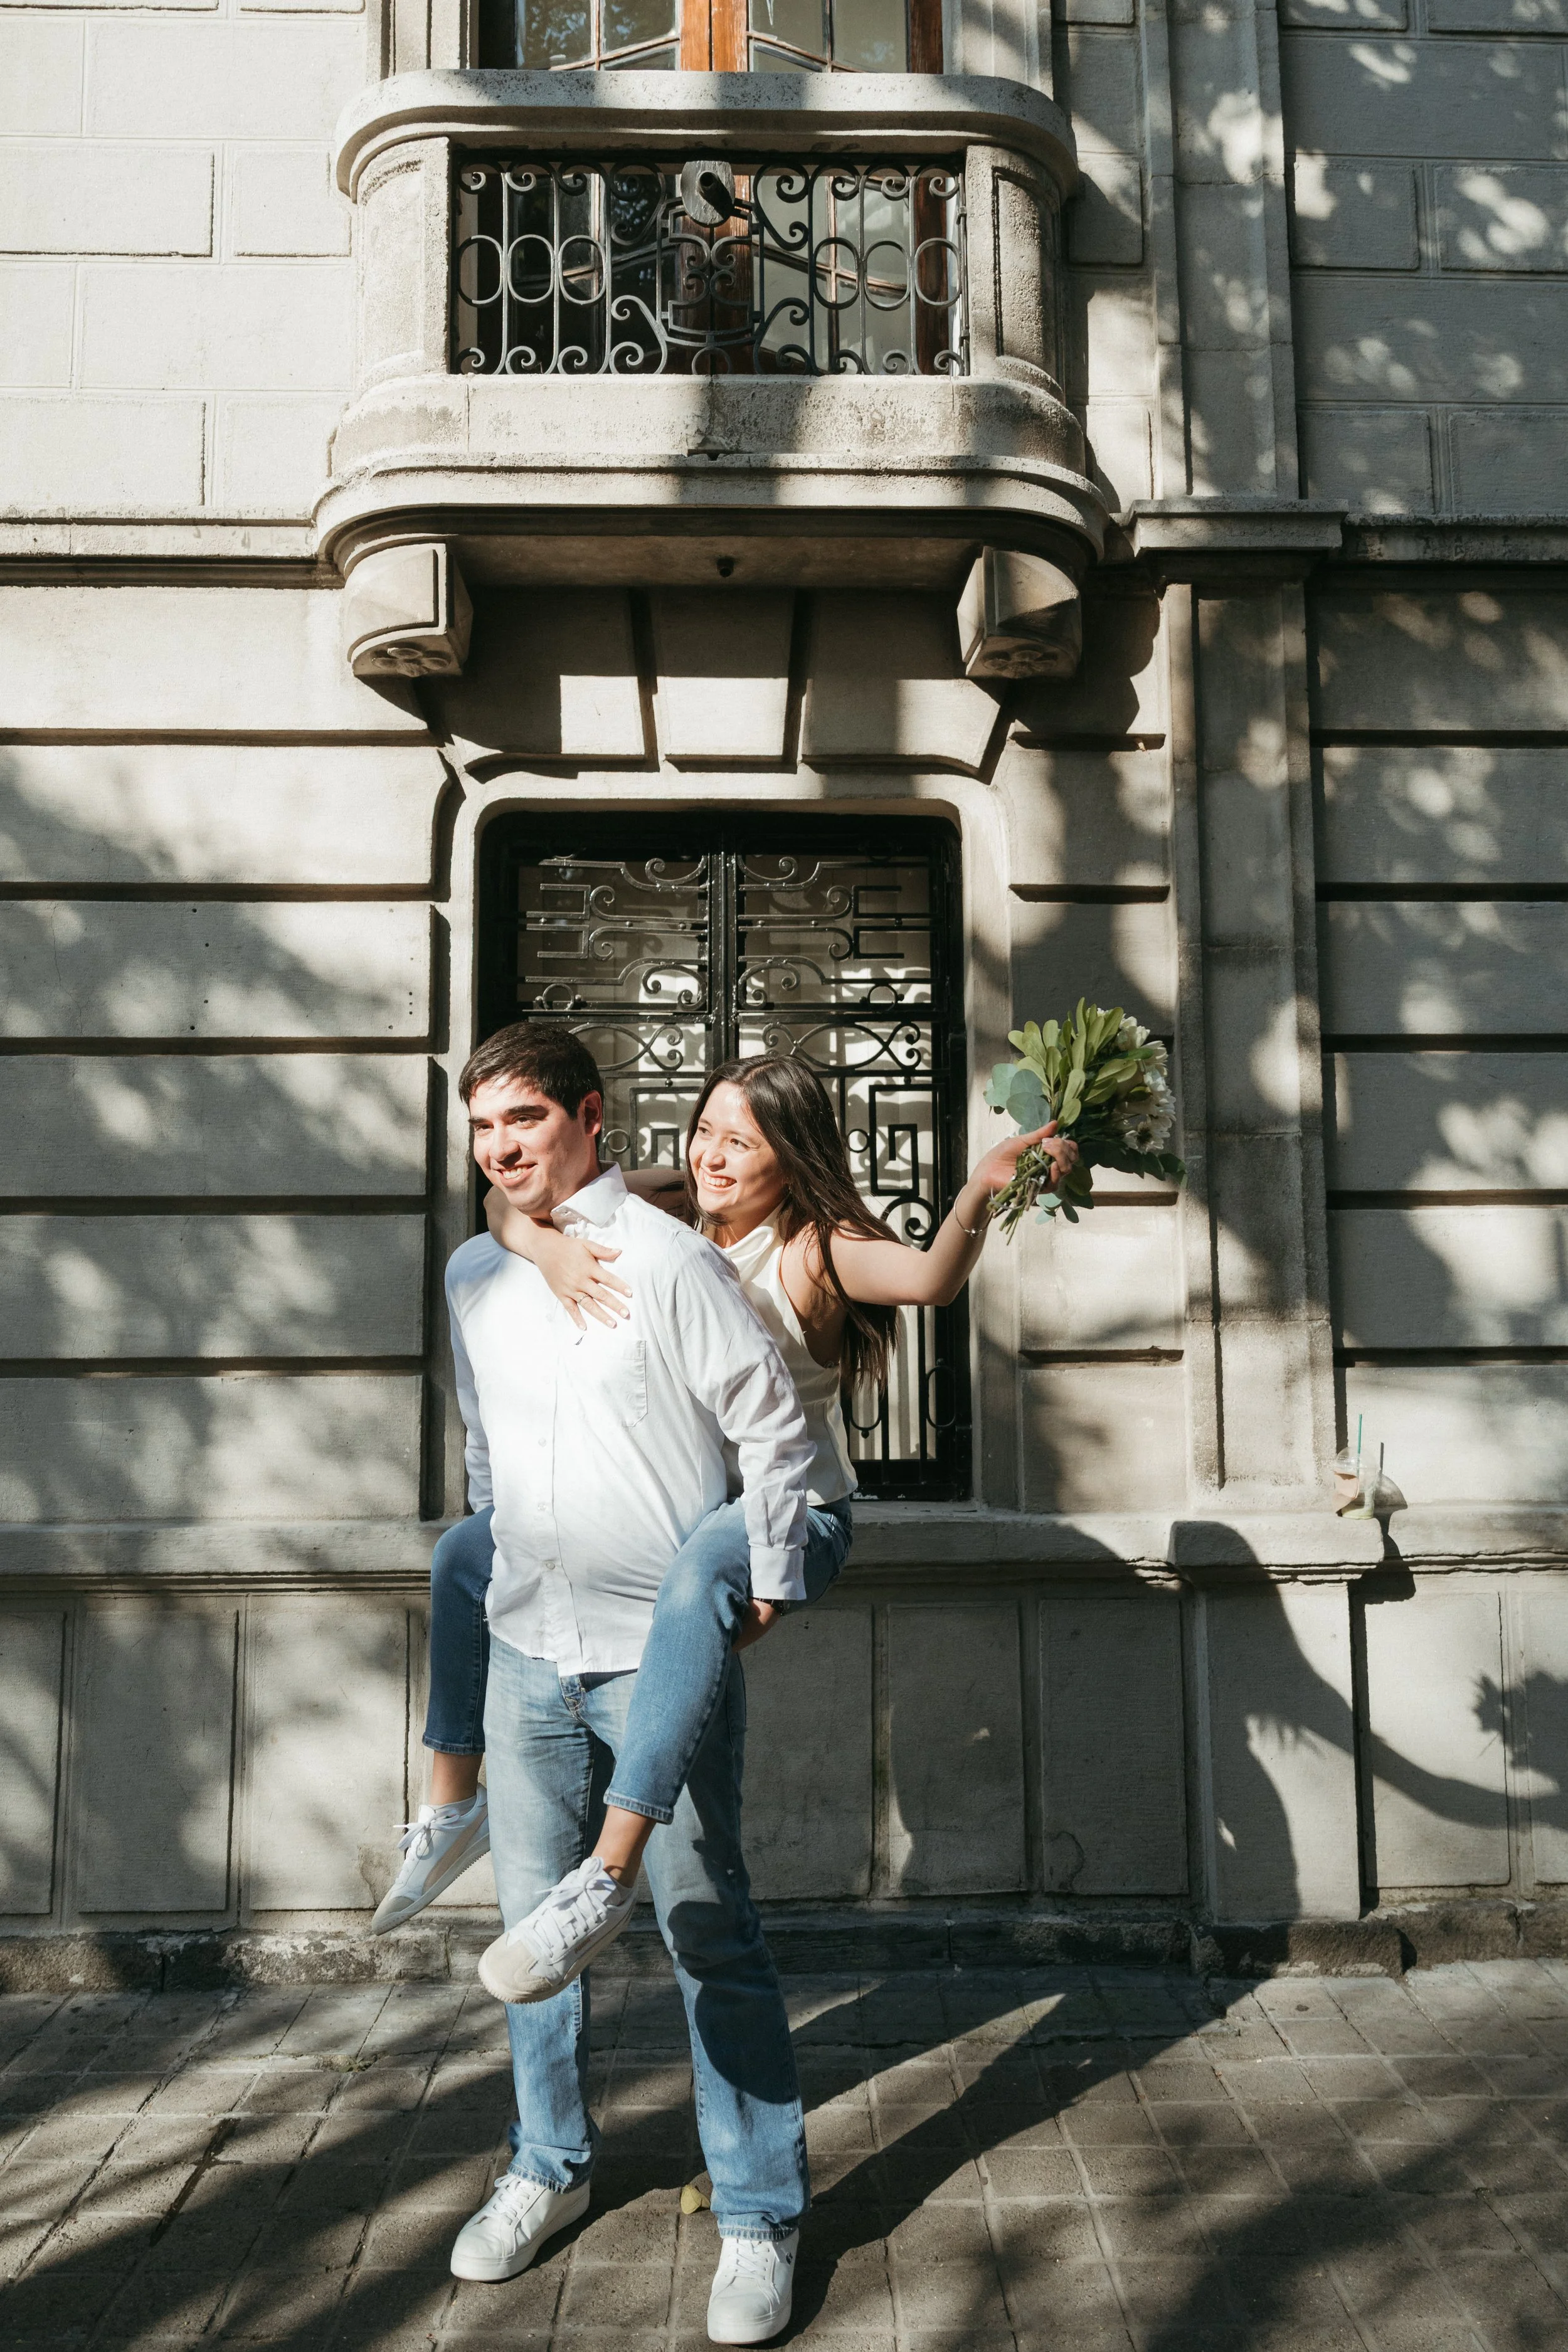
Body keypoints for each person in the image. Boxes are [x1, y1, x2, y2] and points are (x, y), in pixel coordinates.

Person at [379, 1051, 1076, 1955]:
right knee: (465, 1552)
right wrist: (547, 1246)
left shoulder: (819, 1247)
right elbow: (507, 1199)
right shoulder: (681, 1208)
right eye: (705, 1129)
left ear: (790, 1153)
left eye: (739, 1141)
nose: (711, 1155)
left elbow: (934, 1279)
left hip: (797, 1508)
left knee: (689, 1583)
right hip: (711, 1503)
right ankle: (451, 1800)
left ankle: (610, 1867)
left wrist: (982, 1188)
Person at [438, 1022, 816, 2343]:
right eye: (484, 1129)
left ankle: (759, 2213)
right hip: (525, 1651)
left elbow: (772, 1425)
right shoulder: (474, 1270)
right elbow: (486, 1455)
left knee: (709, 1931)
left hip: (652, 1662)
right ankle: (546, 2164)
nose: (501, 1149)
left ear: (589, 1118)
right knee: (533, 1943)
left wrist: (758, 1590)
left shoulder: (668, 1261)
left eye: (523, 1122)